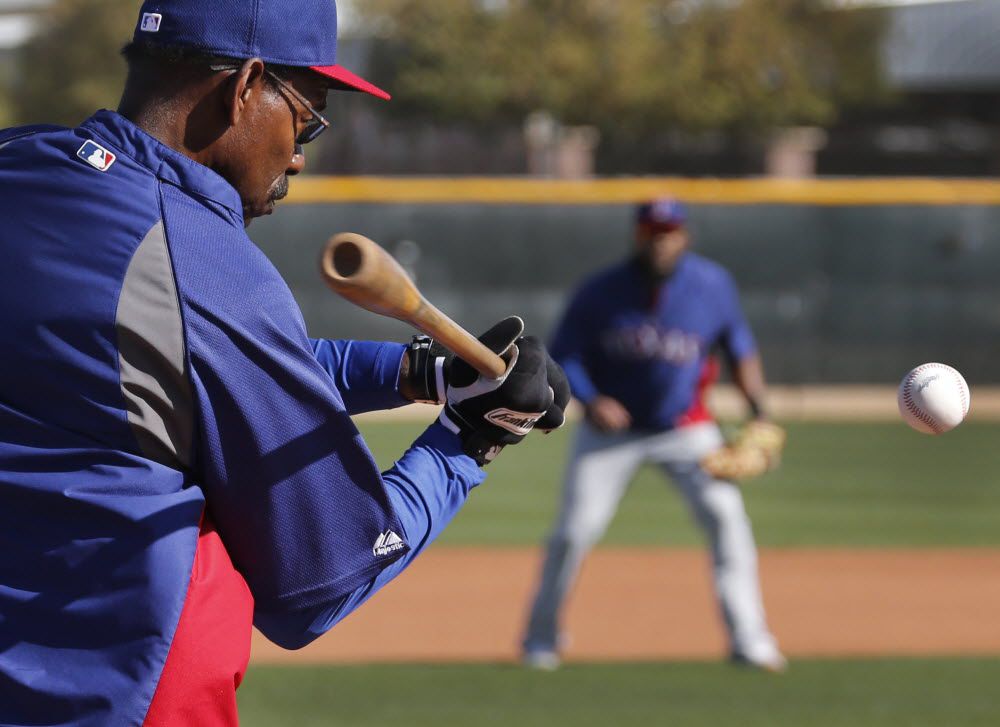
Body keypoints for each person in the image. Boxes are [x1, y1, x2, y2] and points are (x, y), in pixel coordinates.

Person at [0, 1, 568, 724]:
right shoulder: (206, 266)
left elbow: (186, 367)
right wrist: (468, 439)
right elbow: (320, 585)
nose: (300, 152)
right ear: (247, 85)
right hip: (115, 693)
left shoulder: (16, 161)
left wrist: (418, 374)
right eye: (308, 116)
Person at [521, 197, 785, 672]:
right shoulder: (600, 291)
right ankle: (540, 640)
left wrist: (759, 413)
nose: (661, 240)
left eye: (670, 231)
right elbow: (564, 357)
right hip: (610, 435)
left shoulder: (712, 285)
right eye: (652, 231)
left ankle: (750, 640)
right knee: (573, 532)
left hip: (686, 428)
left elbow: (739, 348)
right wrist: (590, 398)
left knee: (728, 523)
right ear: (638, 235)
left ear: (684, 235)